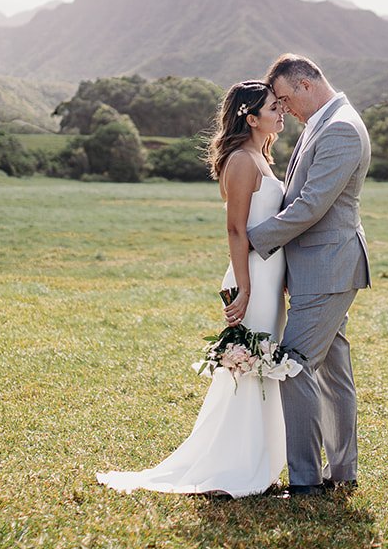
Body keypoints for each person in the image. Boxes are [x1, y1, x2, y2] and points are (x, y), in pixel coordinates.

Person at [96, 81, 291, 498]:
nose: (282, 112)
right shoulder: (242, 161)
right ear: (251, 118)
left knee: (261, 372)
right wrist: (244, 288)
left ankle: (258, 464)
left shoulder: (263, 155)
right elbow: (236, 229)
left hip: (269, 280)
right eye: (275, 107)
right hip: (251, 279)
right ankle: (235, 468)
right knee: (247, 373)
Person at [244, 54, 371, 496]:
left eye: (283, 98)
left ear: (303, 84)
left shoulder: (340, 127)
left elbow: (311, 206)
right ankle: (342, 471)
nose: (283, 110)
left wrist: (252, 239)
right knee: (334, 371)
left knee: (293, 366)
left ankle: (304, 482)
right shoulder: (322, 121)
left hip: (328, 269)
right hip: (318, 268)